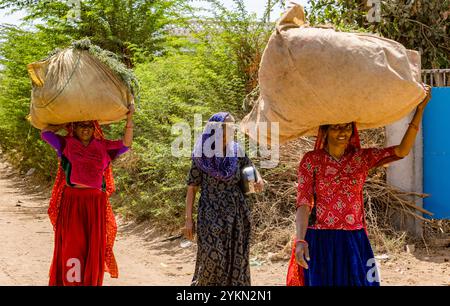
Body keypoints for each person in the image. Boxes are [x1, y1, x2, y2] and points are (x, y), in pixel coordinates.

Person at [287, 85, 432, 286]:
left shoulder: (361, 158)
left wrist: (420, 110)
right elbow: (303, 202)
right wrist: (300, 240)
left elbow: (401, 151)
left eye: (347, 126)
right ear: (325, 130)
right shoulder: (311, 160)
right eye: (336, 127)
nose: (342, 132)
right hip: (321, 239)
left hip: (354, 238)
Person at [41, 105, 135, 286]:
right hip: (72, 201)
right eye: (81, 125)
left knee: (93, 246)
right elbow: (45, 133)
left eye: (89, 125)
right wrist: (64, 122)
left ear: (95, 129)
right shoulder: (66, 143)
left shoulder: (103, 147)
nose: (85, 129)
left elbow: (126, 144)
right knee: (72, 244)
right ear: (74, 128)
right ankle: (71, 282)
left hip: (95, 203)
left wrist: (129, 119)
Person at [184, 112, 264, 286]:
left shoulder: (237, 150)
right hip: (210, 212)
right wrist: (188, 220)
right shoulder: (202, 155)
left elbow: (250, 166)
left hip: (236, 213)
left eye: (234, 125)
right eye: (229, 125)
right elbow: (192, 188)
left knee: (236, 258)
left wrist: (258, 178)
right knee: (212, 258)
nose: (233, 129)